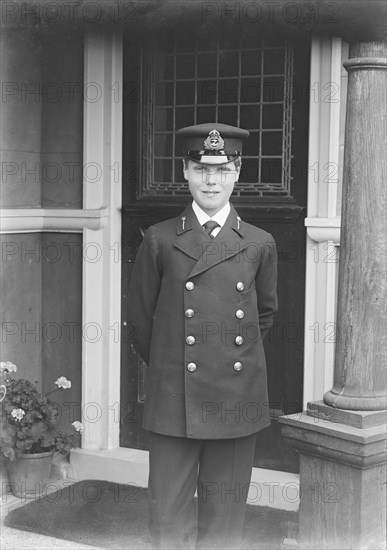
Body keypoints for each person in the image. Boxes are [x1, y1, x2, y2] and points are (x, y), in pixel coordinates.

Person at [127, 122, 278, 549]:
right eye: (201, 168)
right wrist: (174, 371)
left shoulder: (259, 243)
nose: (211, 179)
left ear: (237, 172)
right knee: (168, 519)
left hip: (235, 397)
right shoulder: (158, 239)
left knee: (225, 523)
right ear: (185, 172)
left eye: (222, 169)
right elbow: (140, 323)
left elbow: (262, 318)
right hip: (175, 399)